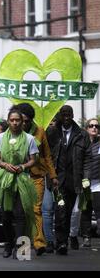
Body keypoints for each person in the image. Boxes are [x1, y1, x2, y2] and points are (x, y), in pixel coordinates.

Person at [0, 107, 38, 259]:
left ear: (22, 122)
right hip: (5, 178)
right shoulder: (0, 138)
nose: (15, 123)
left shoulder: (29, 138)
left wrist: (23, 166)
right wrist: (5, 165)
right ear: (8, 121)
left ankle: (20, 247)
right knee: (5, 215)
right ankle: (8, 244)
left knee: (21, 214)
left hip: (22, 179)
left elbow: (33, 159)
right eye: (12, 120)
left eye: (18, 120)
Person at [46, 105, 90, 255]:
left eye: (68, 114)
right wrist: (51, 176)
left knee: (70, 211)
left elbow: (87, 159)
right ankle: (61, 243)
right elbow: (47, 155)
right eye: (63, 114)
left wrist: (86, 178)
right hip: (58, 180)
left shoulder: (82, 134)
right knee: (61, 211)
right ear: (60, 115)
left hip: (74, 180)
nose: (66, 117)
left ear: (72, 115)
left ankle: (66, 238)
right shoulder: (52, 133)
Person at [16, 103, 58, 256]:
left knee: (36, 209)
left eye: (27, 120)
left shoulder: (39, 131)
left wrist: (52, 175)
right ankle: (21, 246)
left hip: (37, 175)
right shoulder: (13, 131)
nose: (24, 123)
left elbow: (47, 155)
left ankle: (39, 243)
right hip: (18, 175)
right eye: (22, 120)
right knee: (22, 211)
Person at [77, 118, 100, 248]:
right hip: (84, 183)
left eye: (97, 126)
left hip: (98, 183)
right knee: (85, 210)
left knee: (98, 209)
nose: (94, 128)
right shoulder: (81, 144)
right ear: (86, 128)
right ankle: (86, 237)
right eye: (91, 126)